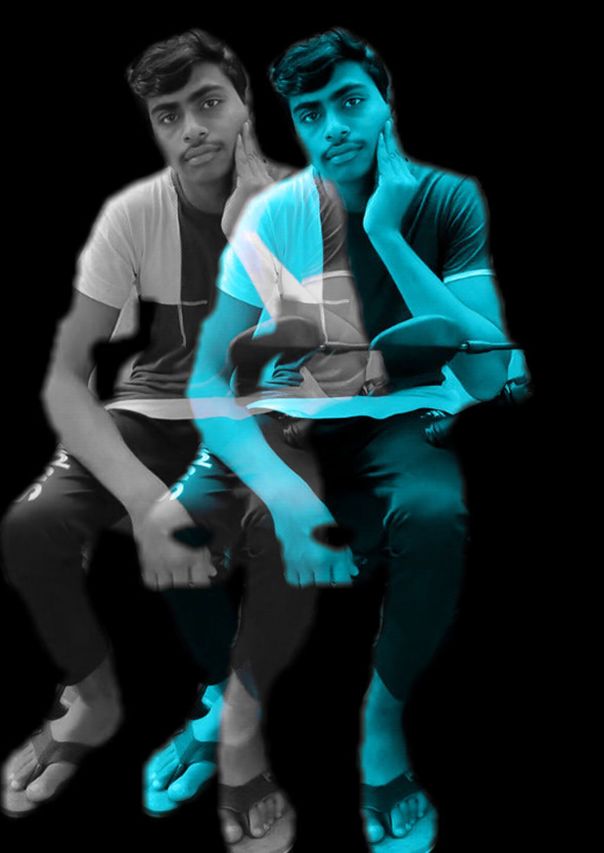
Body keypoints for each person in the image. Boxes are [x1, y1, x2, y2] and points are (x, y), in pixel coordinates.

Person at [140, 27, 529, 851]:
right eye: (311, 114)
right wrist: (287, 497)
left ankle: (381, 725)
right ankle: (224, 705)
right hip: (289, 424)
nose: (333, 127)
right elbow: (211, 380)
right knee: (171, 529)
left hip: (397, 426)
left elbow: (489, 368)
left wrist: (388, 232)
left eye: (351, 101)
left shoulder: (446, 199)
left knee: (434, 515)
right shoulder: (275, 215)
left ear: (386, 99)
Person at [0, 28, 297, 846]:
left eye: (208, 102)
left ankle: (235, 728)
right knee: (31, 527)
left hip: (263, 419)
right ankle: (93, 699)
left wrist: (251, 223)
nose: (190, 128)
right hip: (153, 412)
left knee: (269, 529)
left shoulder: (306, 204)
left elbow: (332, 356)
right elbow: (64, 377)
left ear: (245, 103)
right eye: (168, 115)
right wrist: (143, 500)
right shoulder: (134, 214)